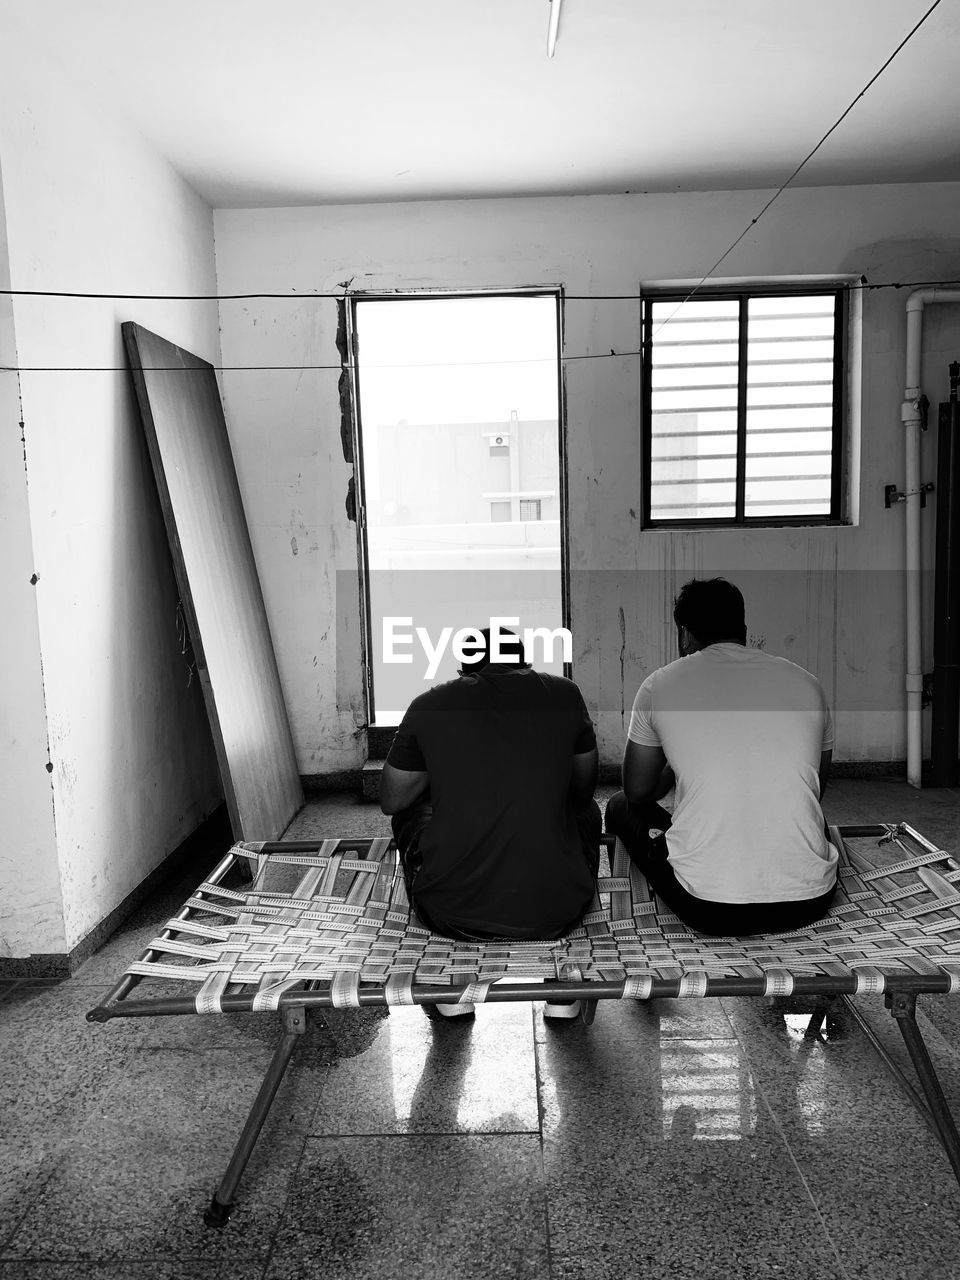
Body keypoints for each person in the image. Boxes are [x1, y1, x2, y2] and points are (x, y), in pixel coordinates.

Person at [379, 627, 601, 1019]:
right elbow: (584, 789)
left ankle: (453, 991)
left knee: (412, 812)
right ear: (523, 661)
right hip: (556, 911)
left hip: (451, 913)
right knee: (587, 812)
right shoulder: (565, 694)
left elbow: (392, 799)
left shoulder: (431, 704)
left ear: (466, 668)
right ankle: (562, 992)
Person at [606, 578, 838, 936]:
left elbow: (638, 791)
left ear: (684, 634)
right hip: (809, 902)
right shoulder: (808, 683)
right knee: (802, 812)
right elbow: (815, 789)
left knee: (619, 805)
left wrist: (675, 755)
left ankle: (635, 931)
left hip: (709, 907)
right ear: (743, 630)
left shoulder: (659, 685)